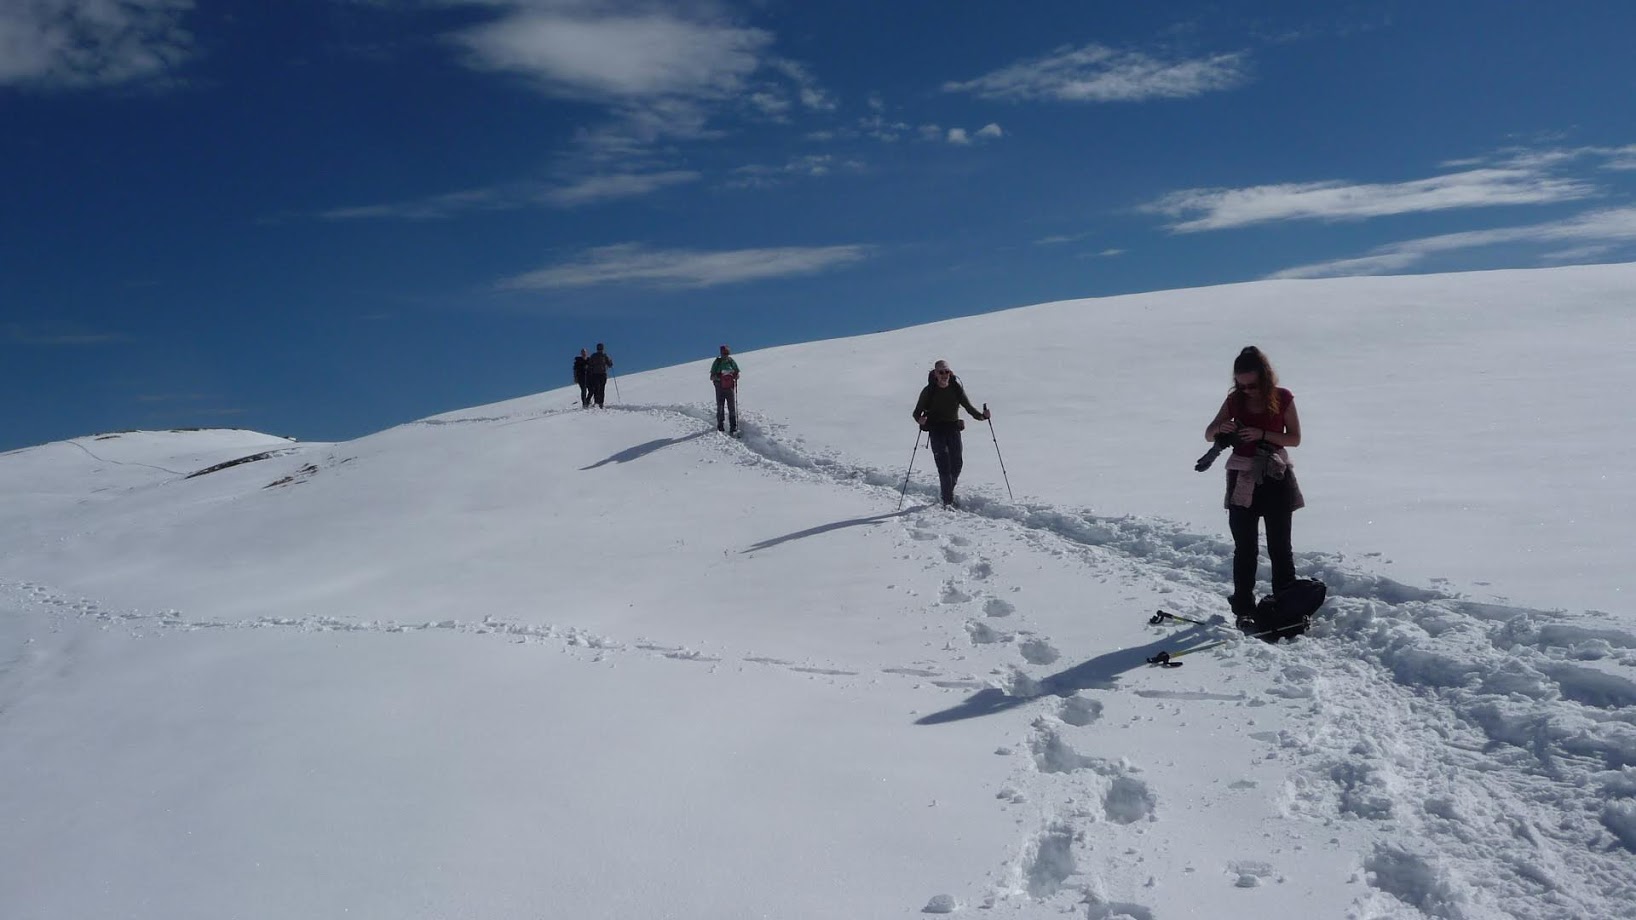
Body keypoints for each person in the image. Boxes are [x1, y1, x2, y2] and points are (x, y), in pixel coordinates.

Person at [1204, 346, 1305, 622]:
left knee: (1280, 547)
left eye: (1252, 385)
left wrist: (1262, 433)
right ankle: (1244, 609)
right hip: (1242, 480)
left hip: (1275, 475)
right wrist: (1221, 429)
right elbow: (1208, 434)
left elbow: (1294, 438)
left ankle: (1286, 607)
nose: (1247, 390)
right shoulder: (1234, 400)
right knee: (1245, 548)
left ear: (1264, 377)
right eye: (1241, 385)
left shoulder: (1282, 398)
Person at [912, 359, 989, 508]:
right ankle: (947, 501)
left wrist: (983, 416)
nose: (944, 375)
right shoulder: (928, 391)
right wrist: (920, 420)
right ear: (935, 373)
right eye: (941, 372)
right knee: (944, 466)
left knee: (957, 464)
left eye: (946, 372)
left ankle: (947, 492)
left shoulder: (955, 388)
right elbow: (916, 413)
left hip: (953, 429)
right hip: (936, 430)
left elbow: (969, 407)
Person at [709, 344, 740, 434]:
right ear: (721, 353)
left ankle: (732, 427)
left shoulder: (730, 361)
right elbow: (711, 377)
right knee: (721, 406)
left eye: (727, 353)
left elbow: (737, 373)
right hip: (720, 387)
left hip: (727, 387)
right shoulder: (718, 362)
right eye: (724, 353)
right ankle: (721, 426)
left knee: (730, 407)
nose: (726, 355)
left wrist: (734, 375)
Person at [584, 343, 613, 407]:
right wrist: (610, 362)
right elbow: (610, 365)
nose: (600, 350)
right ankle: (599, 402)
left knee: (599, 388)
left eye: (600, 348)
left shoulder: (595, 356)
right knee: (600, 388)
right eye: (600, 348)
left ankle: (599, 402)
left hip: (598, 374)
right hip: (599, 374)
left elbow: (590, 365)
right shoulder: (604, 356)